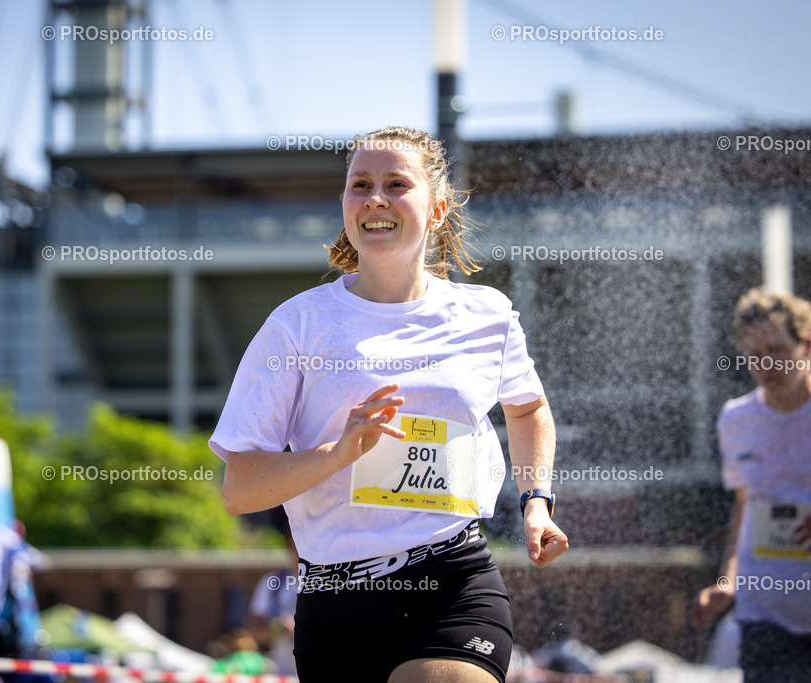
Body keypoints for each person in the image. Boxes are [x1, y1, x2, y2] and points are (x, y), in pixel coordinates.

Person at [210, 126, 568, 682]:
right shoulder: (298, 325)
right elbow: (241, 487)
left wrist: (537, 501)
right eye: (360, 185)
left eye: (396, 184)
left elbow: (527, 409)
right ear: (346, 206)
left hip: (451, 578)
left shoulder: (487, 315)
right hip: (335, 600)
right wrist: (337, 452)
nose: (375, 198)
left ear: (438, 208)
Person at [692, 287, 811, 682]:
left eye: (777, 349)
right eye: (755, 354)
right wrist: (728, 581)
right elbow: (745, 505)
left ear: (806, 346)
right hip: (765, 611)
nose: (767, 364)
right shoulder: (735, 420)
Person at [247, 518, 298, 675]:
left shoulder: (331, 582)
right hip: (281, 672)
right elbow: (254, 632)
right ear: (289, 544)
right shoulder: (273, 583)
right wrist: (279, 626)